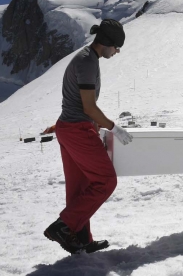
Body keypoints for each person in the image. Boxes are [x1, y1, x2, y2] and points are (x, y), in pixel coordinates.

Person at [44, 19, 133, 254]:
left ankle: (80, 239)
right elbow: (89, 107)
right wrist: (114, 128)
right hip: (77, 130)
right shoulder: (86, 62)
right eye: (117, 47)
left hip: (70, 128)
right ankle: (63, 227)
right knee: (106, 181)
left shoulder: (88, 58)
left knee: (79, 188)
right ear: (108, 43)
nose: (117, 51)